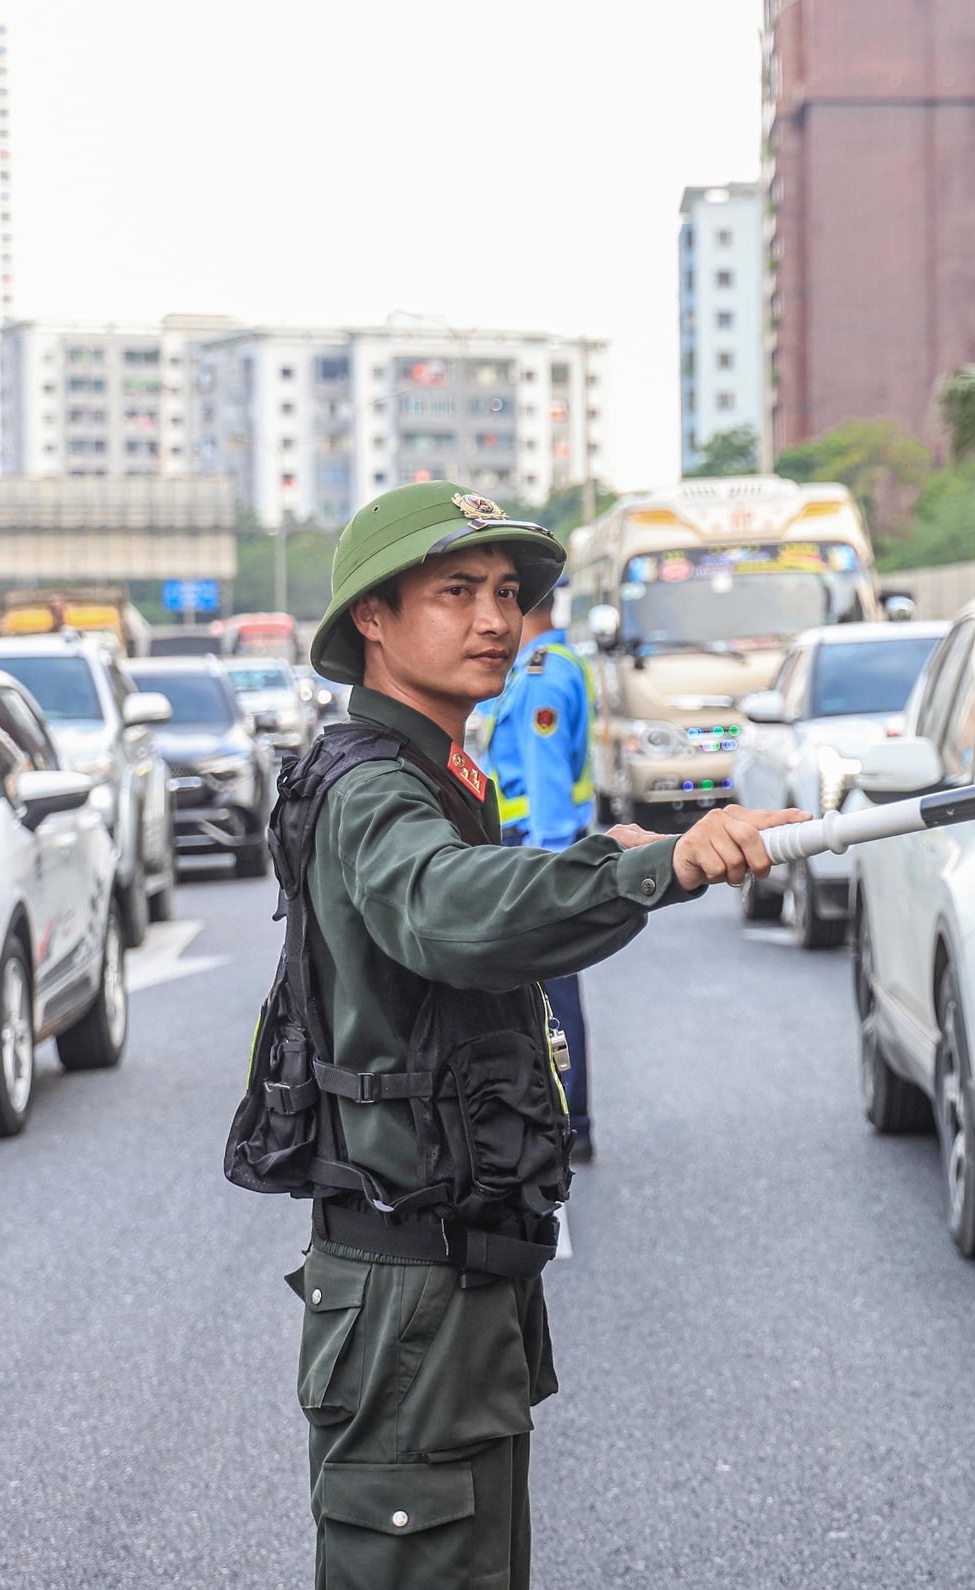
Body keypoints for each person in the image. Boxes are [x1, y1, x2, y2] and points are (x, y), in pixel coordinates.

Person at [283, 482, 801, 1589]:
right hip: (409, 1289)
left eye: (509, 595)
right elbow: (443, 908)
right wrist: (647, 866)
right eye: (456, 591)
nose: (495, 621)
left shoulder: (437, 769)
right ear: (371, 617)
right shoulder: (376, 785)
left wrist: (616, 850)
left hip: (448, 1280)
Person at [482, 586, 599, 1158]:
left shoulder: (539, 677)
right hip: (537, 845)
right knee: (551, 988)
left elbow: (548, 782)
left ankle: (571, 1120)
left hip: (536, 846)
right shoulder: (553, 664)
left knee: (552, 990)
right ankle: (568, 1118)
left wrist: (546, 872)